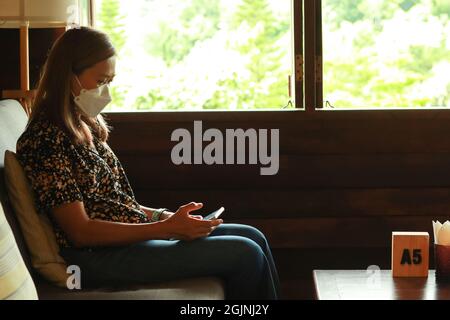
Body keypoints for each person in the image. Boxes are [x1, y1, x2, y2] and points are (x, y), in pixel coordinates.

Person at [16, 27, 280, 300]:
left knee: (253, 236)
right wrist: (166, 229)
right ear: (69, 77)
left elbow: (113, 202)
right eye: (100, 81)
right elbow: (81, 231)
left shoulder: (82, 124)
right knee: (245, 253)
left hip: (123, 242)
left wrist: (162, 216)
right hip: (93, 258)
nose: (106, 92)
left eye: (110, 81)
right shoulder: (45, 139)